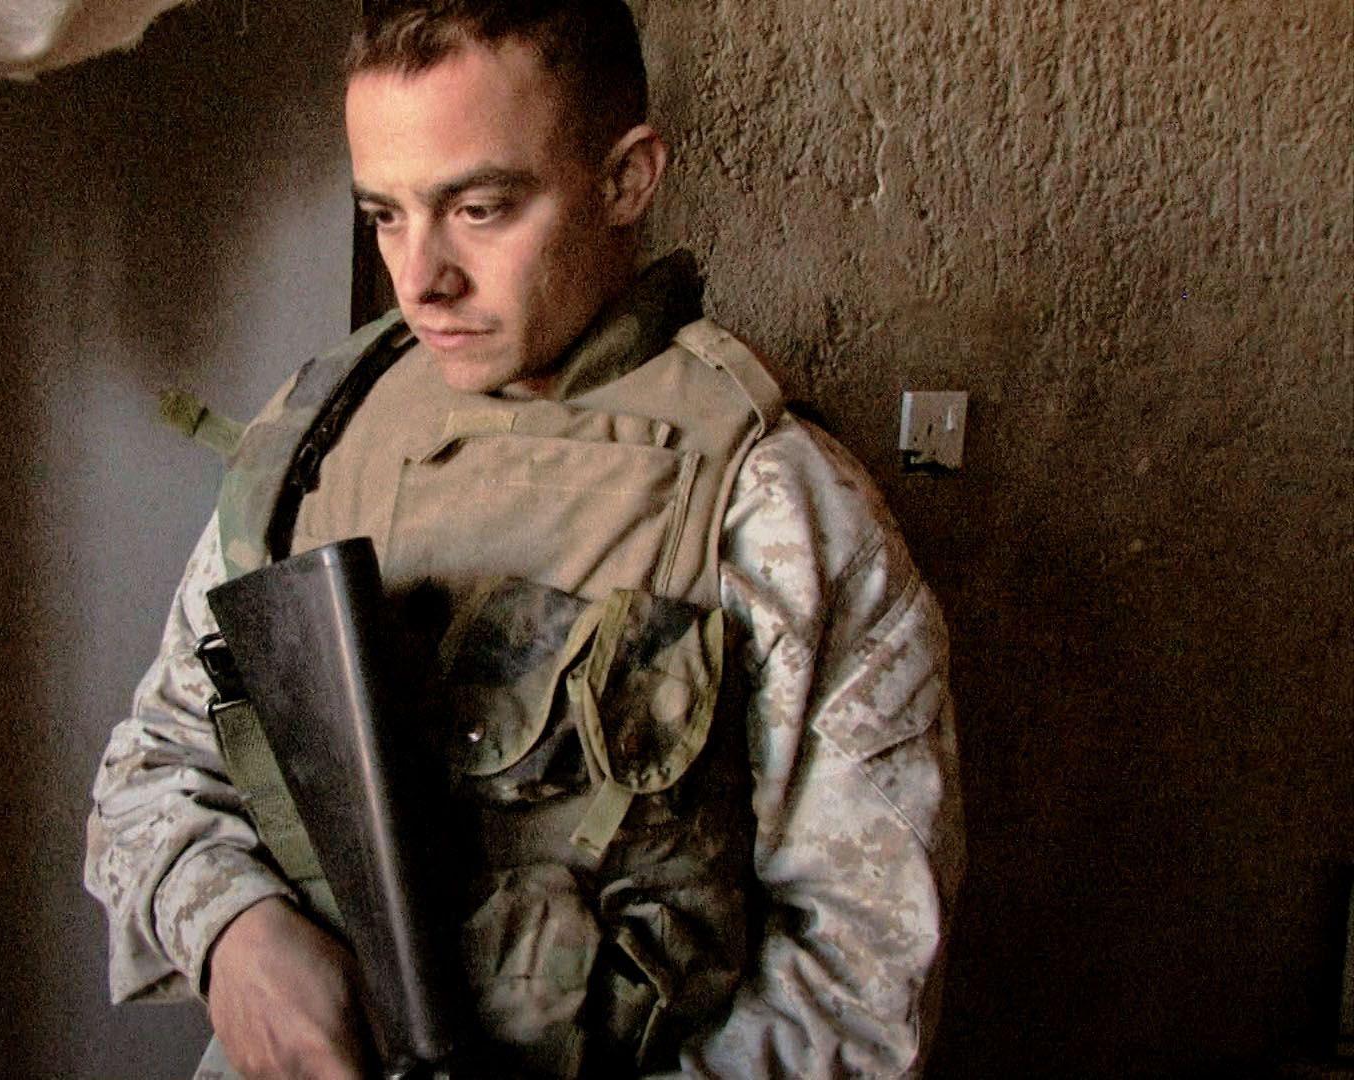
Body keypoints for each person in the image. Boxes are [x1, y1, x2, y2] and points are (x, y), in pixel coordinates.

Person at [84, 2, 963, 1076]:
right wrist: (233, 933)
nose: (422, 279)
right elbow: (156, 767)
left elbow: (860, 986)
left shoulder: (775, 507)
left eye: (481, 208)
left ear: (627, 179)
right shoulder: (315, 443)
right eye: (386, 216)